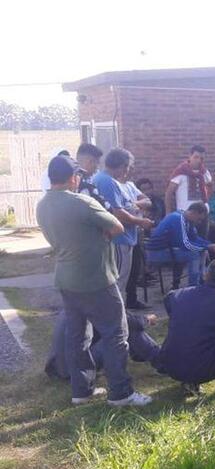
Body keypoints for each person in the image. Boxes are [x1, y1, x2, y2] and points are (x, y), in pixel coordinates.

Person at [36, 155, 151, 406]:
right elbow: (117, 227)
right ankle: (121, 393)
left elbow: (54, 240)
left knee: (77, 337)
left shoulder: (42, 205)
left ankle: (82, 391)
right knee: (116, 334)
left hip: (66, 279)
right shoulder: (82, 202)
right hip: (96, 278)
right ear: (72, 178)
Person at [152, 260, 215, 395]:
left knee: (192, 330)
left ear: (206, 275)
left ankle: (189, 382)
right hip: (206, 368)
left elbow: (169, 303)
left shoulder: (177, 295)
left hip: (170, 365)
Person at [92, 148, 154, 297]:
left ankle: (120, 314)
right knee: (118, 280)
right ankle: (117, 317)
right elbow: (118, 213)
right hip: (118, 238)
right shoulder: (107, 181)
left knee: (121, 279)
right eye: (127, 167)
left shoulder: (110, 181)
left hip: (125, 237)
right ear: (121, 165)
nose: (127, 171)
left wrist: (133, 207)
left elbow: (131, 205)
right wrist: (141, 221)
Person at [45, 311, 161, 380]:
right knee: (126, 330)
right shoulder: (99, 301)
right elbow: (129, 322)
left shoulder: (75, 298)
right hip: (74, 370)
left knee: (118, 329)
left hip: (57, 366)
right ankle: (162, 360)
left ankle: (149, 356)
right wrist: (147, 319)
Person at [146, 202, 215, 288]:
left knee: (202, 251)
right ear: (194, 212)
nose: (199, 222)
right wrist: (208, 247)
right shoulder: (178, 219)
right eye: (199, 219)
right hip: (157, 252)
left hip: (169, 249)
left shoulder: (188, 220)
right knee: (193, 254)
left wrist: (209, 245)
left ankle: (202, 281)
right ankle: (193, 287)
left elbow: (194, 238)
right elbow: (186, 244)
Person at [120, 165, 153, 310]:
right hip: (124, 233)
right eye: (129, 169)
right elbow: (122, 209)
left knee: (135, 268)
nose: (131, 172)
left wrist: (133, 205)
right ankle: (120, 305)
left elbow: (148, 202)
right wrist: (137, 206)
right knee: (122, 272)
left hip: (137, 231)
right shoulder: (116, 187)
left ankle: (132, 300)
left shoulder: (131, 186)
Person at [166, 145, 213, 238]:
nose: (199, 160)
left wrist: (207, 201)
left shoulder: (204, 172)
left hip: (202, 215)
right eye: (196, 157)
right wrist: (168, 213)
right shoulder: (180, 171)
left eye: (202, 158)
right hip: (185, 215)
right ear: (190, 156)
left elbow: (210, 186)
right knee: (186, 243)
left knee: (202, 242)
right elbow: (169, 193)